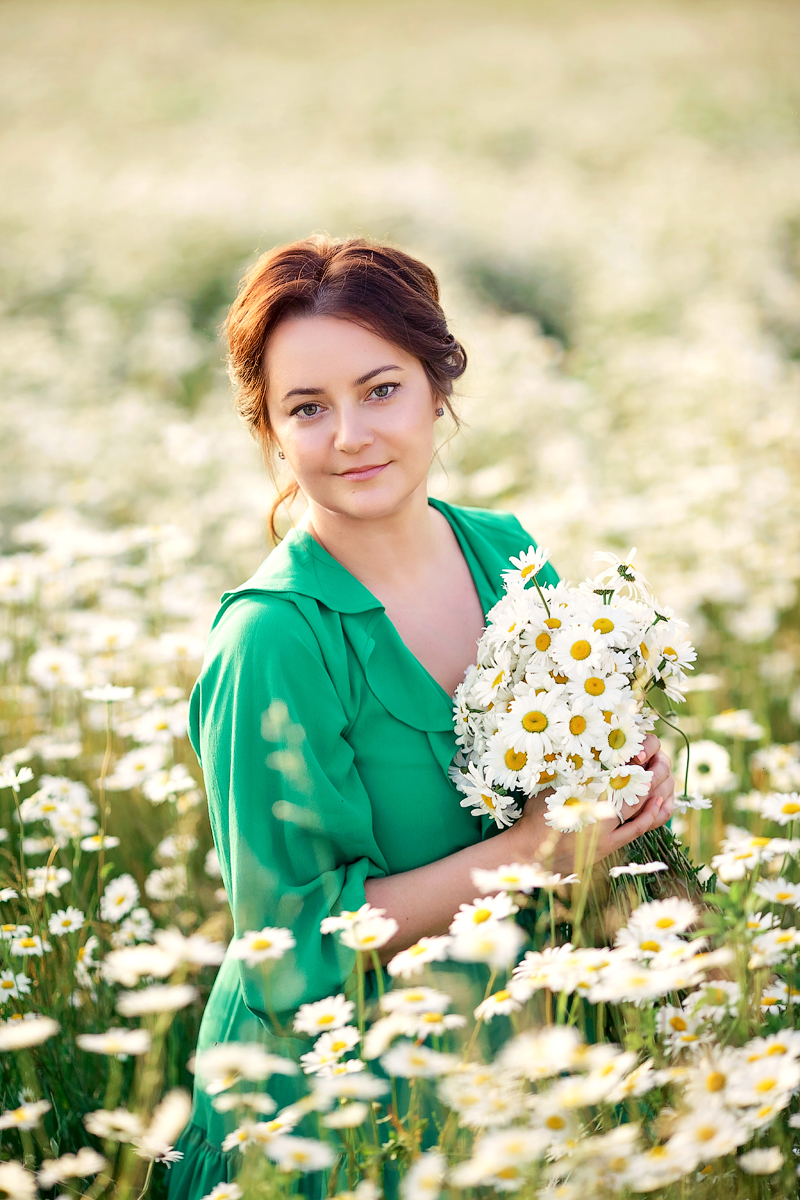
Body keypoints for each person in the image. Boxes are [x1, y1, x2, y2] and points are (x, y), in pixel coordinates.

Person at [168, 235, 676, 1199]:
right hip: (338, 1109)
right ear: (271, 432)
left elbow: (567, 781)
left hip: (526, 1049)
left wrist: (627, 780)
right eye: (307, 409)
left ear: (438, 389)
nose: (350, 435)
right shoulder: (272, 643)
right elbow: (291, 950)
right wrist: (535, 849)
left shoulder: (509, 554)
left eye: (381, 389)